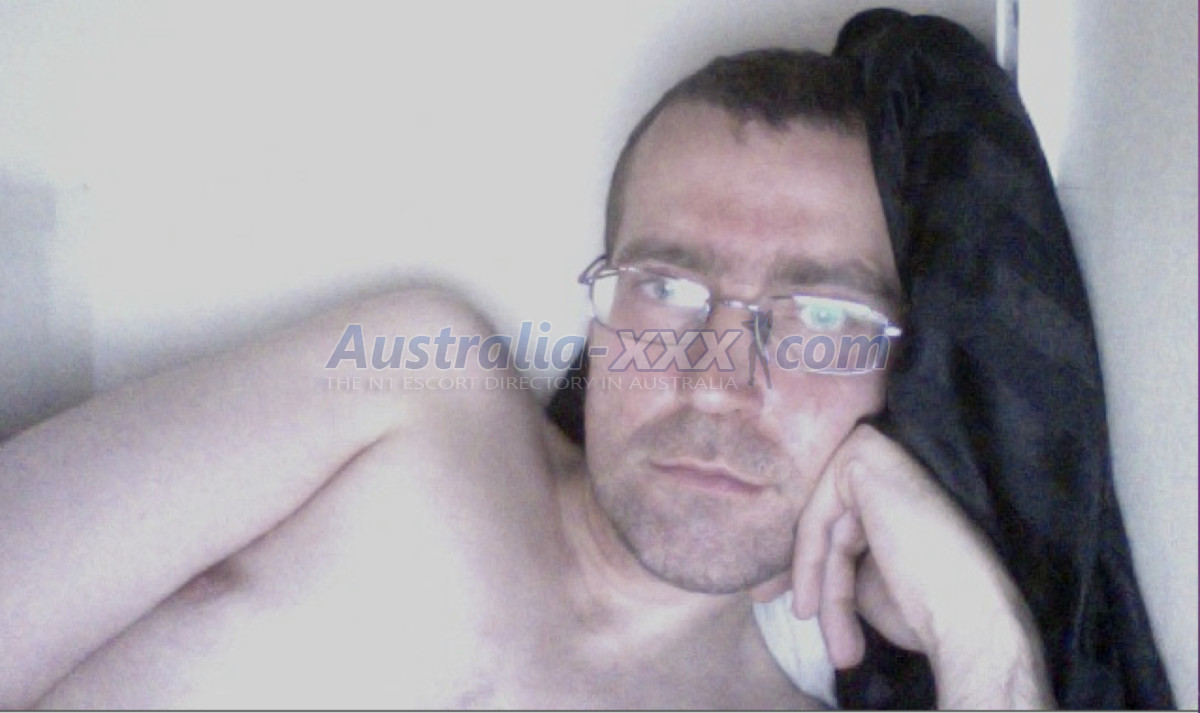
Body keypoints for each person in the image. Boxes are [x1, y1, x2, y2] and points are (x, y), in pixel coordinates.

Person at [0, 46, 1060, 710]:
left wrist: (984, 627)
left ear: (903, 374)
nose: (719, 380)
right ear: (602, 308)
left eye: (824, 318)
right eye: (668, 287)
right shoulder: (419, 400)